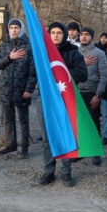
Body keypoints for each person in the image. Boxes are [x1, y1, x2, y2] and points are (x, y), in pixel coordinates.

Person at [38, 22, 88, 187]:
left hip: (66, 99)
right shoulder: (42, 52)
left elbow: (82, 74)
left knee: (66, 134)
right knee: (47, 137)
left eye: (59, 32)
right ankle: (48, 170)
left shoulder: (73, 53)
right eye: (53, 32)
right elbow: (32, 71)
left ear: (64, 34)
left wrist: (60, 72)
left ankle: (66, 171)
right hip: (46, 100)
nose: (56, 35)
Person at [0, 19, 36, 159]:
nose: (13, 30)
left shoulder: (29, 46)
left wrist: (29, 89)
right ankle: (11, 144)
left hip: (21, 89)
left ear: (21, 29)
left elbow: (33, 71)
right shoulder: (5, 45)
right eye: (11, 27)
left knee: (23, 119)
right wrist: (9, 57)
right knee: (8, 118)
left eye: (16, 27)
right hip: (6, 88)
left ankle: (24, 147)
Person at [78, 27, 107, 166]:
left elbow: (104, 76)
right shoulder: (75, 52)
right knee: (80, 123)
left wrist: (98, 94)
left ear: (92, 36)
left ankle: (96, 152)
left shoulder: (99, 53)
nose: (84, 37)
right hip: (77, 92)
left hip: (92, 92)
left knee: (94, 122)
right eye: (82, 34)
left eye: (87, 35)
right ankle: (83, 150)